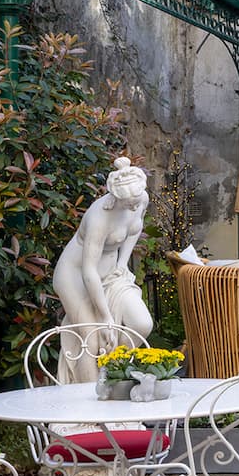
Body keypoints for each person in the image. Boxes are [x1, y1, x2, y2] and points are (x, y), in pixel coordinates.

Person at [53, 157, 154, 382]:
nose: (135, 207)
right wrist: (106, 317)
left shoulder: (140, 198)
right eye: (129, 203)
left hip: (111, 272)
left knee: (142, 324)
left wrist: (122, 264)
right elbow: (88, 270)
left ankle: (112, 373)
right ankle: (89, 411)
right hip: (75, 276)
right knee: (92, 340)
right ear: (116, 197)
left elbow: (134, 230)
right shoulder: (99, 217)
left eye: (137, 201)